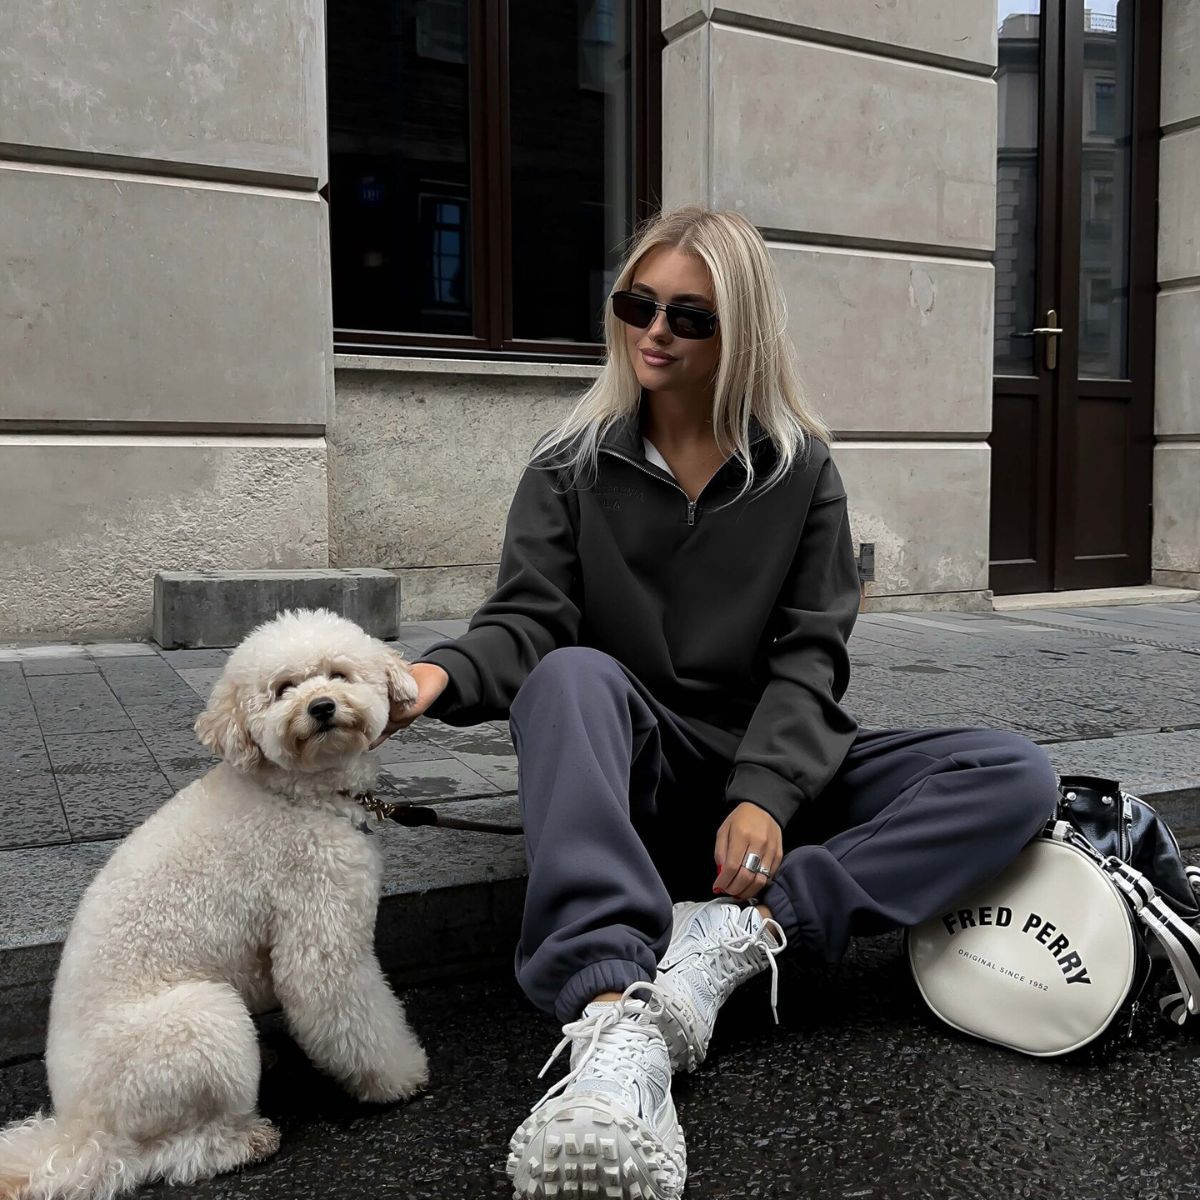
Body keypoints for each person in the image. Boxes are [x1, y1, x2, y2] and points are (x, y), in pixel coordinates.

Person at [373, 206, 1058, 1200]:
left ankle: (742, 936)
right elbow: (527, 622)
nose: (654, 331)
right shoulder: (568, 464)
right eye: (638, 305)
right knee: (570, 673)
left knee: (1011, 773)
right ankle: (613, 1015)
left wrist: (769, 795)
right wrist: (432, 678)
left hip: (758, 783)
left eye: (689, 316)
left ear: (742, 335)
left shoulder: (800, 471)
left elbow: (812, 656)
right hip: (639, 767)